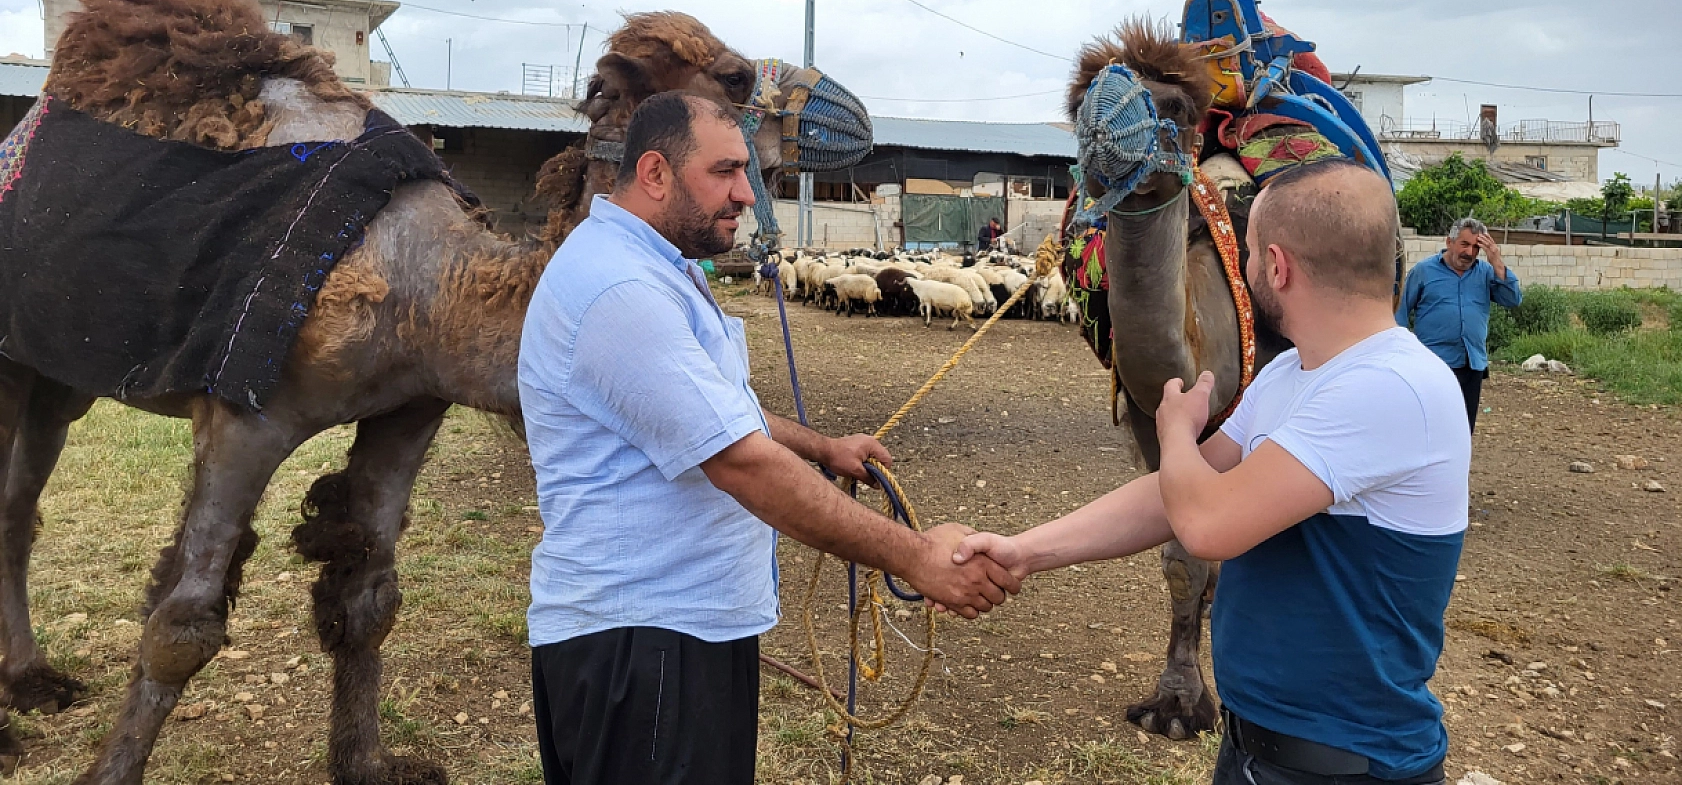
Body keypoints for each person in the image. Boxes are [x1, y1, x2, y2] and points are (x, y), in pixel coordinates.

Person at [517, 91, 1020, 785]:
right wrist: (916, 558)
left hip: (672, 633)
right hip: (642, 647)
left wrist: (822, 447)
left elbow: (715, 408)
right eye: (725, 171)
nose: (747, 194)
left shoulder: (654, 266)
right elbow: (741, 461)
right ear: (657, 173)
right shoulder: (617, 289)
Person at [955, 159, 1470, 785]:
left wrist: (1175, 431)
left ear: (1276, 267)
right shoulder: (1289, 374)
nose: (1243, 268)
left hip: (1344, 765)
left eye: (1245, 250)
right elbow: (1167, 498)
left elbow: (1204, 522)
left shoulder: (1393, 388)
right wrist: (1022, 552)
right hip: (1259, 746)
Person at [1395, 217, 1522, 430]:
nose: (1470, 253)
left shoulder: (1485, 272)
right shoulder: (1424, 271)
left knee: (1463, 428)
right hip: (1433, 363)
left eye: (1476, 247)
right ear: (1449, 242)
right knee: (1430, 425)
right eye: (1465, 244)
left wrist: (1496, 261)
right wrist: (1402, 351)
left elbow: (1513, 299)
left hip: (1471, 363)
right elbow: (1400, 311)